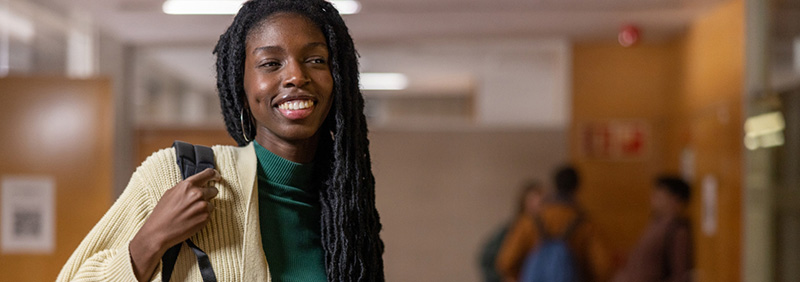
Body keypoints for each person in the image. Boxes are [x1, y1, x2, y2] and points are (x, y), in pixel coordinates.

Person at [56, 0, 384, 281]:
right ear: (241, 86)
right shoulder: (177, 175)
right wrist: (150, 239)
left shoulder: (346, 206)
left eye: (316, 60)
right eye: (271, 63)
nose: (296, 76)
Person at [496, 165, 611, 282]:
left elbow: (506, 262)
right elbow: (603, 267)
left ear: (553, 186)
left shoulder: (530, 221)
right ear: (577, 188)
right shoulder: (586, 225)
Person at [612, 176, 693, 282]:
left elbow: (680, 274)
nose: (653, 198)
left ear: (675, 198)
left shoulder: (677, 230)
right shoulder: (656, 223)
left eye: (659, 195)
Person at [479, 180, 546, 282]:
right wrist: (500, 278)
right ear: (523, 203)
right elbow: (490, 258)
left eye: (541, 201)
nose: (537, 205)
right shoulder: (513, 228)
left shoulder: (548, 229)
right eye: (532, 201)